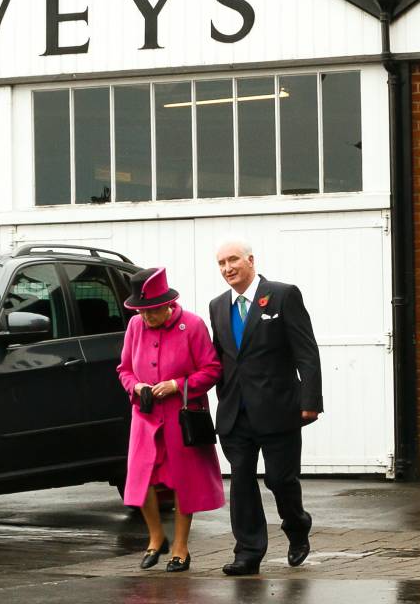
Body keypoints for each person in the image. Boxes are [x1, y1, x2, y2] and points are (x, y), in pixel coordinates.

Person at [208, 239, 323, 576]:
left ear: (250, 260)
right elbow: (220, 358)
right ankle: (248, 552)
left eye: (233, 260)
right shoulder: (216, 306)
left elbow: (306, 351)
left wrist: (311, 401)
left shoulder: (283, 295)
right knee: (241, 481)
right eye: (221, 263)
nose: (227, 268)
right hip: (236, 412)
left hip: (278, 408)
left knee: (279, 479)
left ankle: (297, 525)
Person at [117, 267, 224, 573]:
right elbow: (124, 369)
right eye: (141, 311)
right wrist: (136, 386)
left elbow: (212, 368)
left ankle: (181, 547)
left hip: (181, 415)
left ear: (167, 304)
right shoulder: (136, 326)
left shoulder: (191, 325)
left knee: (182, 481)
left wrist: (177, 385)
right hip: (146, 416)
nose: (146, 318)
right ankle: (155, 537)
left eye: (151, 311)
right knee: (139, 481)